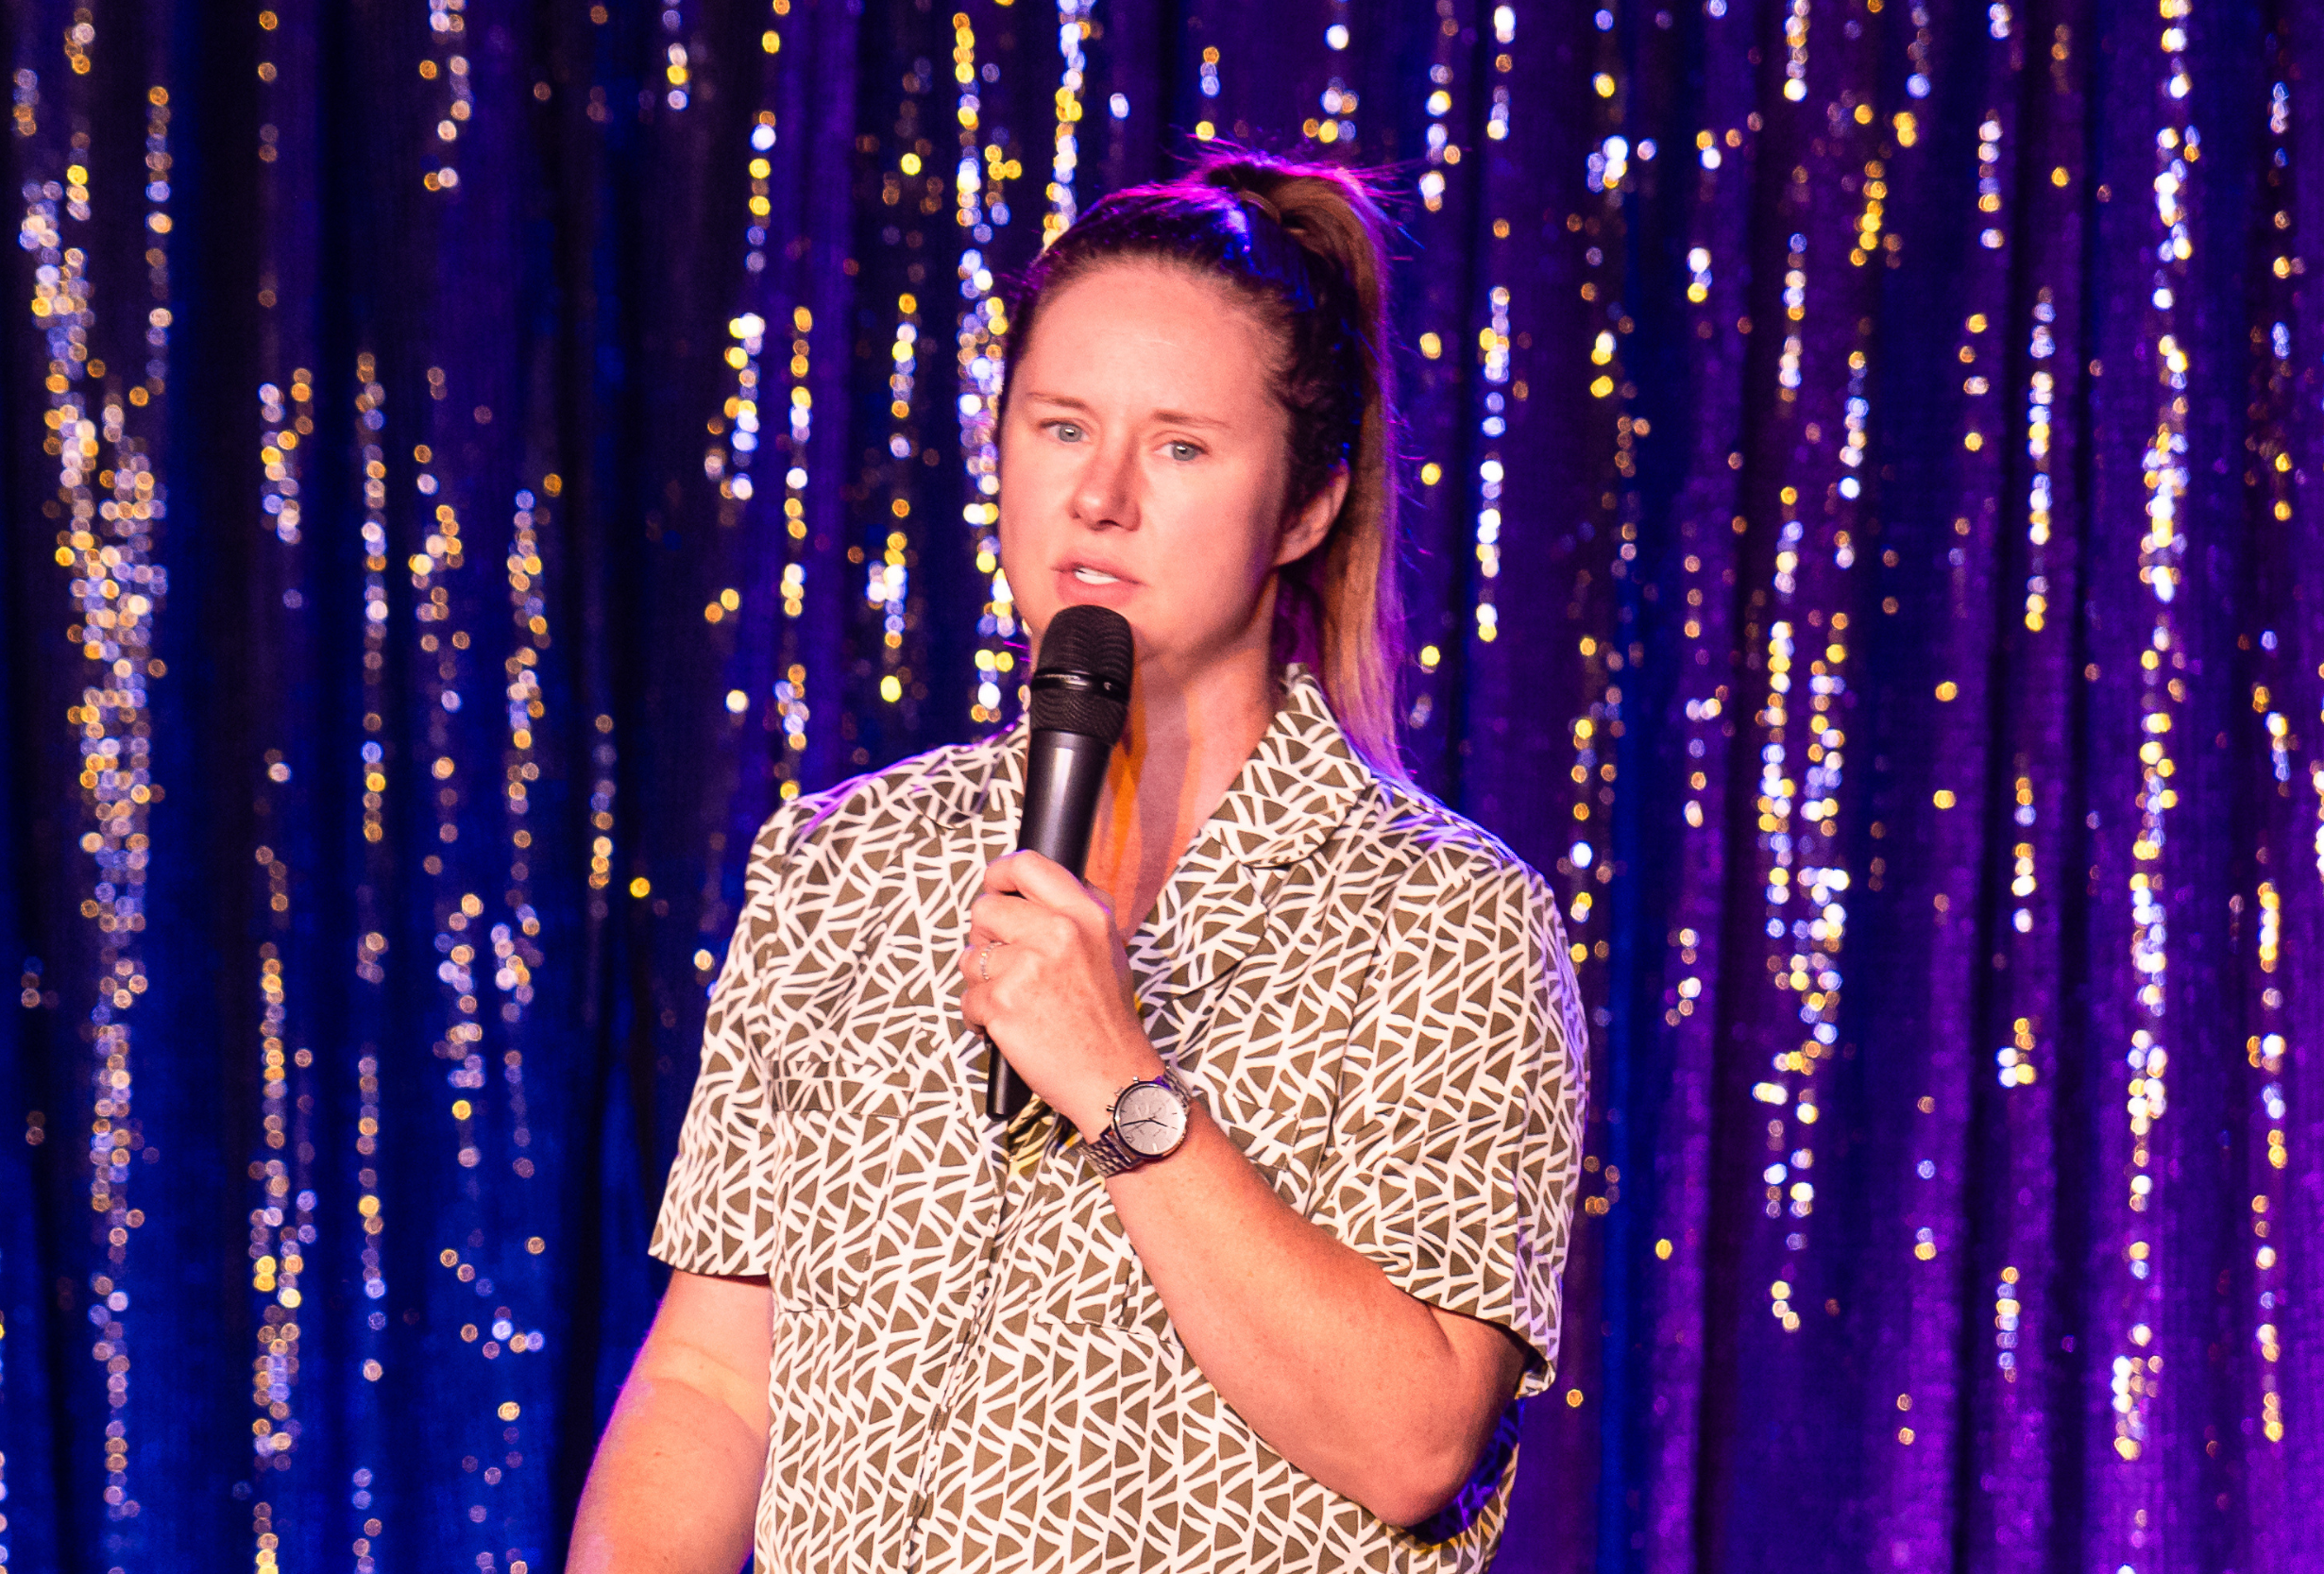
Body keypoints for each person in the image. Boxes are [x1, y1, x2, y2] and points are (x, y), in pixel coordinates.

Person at [568, 150, 1586, 1574]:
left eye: (1179, 446)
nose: (1100, 495)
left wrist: (1120, 1082)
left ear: (1302, 505)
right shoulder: (845, 864)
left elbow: (1416, 1440)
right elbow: (716, 1382)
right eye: (1060, 428)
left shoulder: (1447, 919)